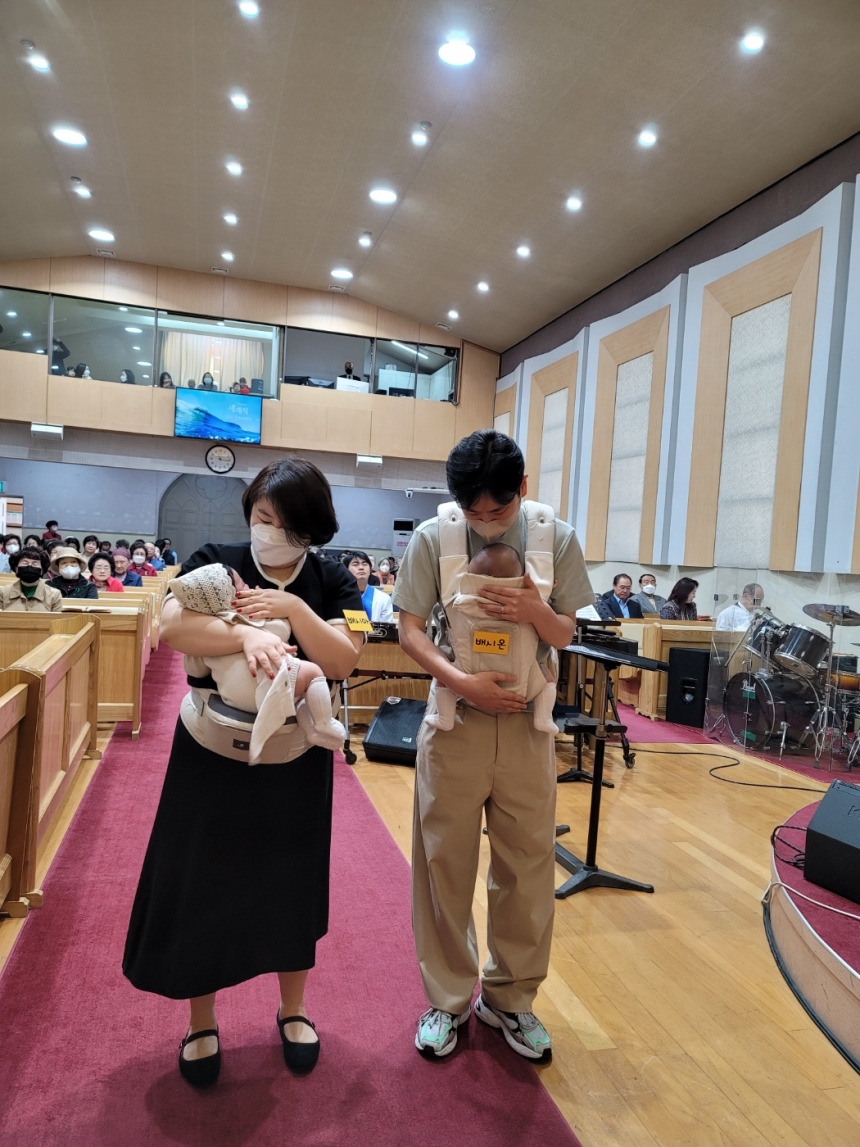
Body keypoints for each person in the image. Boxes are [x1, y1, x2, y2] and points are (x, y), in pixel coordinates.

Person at [123, 458, 364, 1087]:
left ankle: (294, 1009)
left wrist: (293, 607)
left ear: (312, 530)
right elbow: (173, 625)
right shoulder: (216, 558)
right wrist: (244, 636)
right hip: (209, 753)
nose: (269, 532)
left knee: (291, 881)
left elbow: (343, 659)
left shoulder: (333, 577)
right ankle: (201, 1020)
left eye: (285, 524)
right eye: (261, 516)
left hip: (295, 759)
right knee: (203, 880)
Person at [394, 430, 594, 1062]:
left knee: (528, 866)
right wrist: (459, 682)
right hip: (456, 722)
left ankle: (510, 999)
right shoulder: (435, 537)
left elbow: (566, 632)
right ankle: (448, 998)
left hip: (530, 727)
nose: (484, 522)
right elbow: (408, 629)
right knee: (443, 864)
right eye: (472, 511)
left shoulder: (555, 538)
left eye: (498, 510)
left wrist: (535, 610)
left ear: (522, 489)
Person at [169, 563, 346, 760]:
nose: (249, 587)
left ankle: (311, 730)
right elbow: (282, 630)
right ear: (232, 595)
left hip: (231, 697)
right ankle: (323, 723)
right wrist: (276, 614)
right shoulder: (251, 615)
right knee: (313, 674)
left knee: (299, 698)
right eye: (243, 585)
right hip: (267, 680)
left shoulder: (211, 629)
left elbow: (196, 669)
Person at [425, 543, 558, 735]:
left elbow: (444, 613)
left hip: (465, 682)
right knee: (548, 679)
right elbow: (546, 612)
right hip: (523, 688)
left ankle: (444, 717)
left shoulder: (462, 603)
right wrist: (547, 592)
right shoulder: (527, 603)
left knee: (442, 677)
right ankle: (544, 717)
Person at [0, 547, 62, 611]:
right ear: (16, 568)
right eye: (25, 563)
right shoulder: (2, 592)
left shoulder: (54, 594)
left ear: (42, 569)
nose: (29, 566)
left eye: (35, 564)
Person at [343, 551, 394, 623]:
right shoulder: (338, 597)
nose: (361, 567)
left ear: (370, 569)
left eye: (364, 564)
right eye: (355, 564)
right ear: (346, 570)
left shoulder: (383, 599)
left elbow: (386, 627)